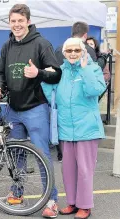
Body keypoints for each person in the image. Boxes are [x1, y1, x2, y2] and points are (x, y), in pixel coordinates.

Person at [0, 4, 61, 218]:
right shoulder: (7, 46)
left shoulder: (41, 43)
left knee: (42, 155)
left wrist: (38, 72)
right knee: (17, 155)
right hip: (13, 109)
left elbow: (56, 74)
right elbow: (1, 73)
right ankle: (17, 194)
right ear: (9, 22)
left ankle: (51, 200)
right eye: (13, 21)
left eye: (20, 21)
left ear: (28, 22)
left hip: (35, 108)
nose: (16, 25)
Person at [42, 38, 106, 219]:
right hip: (66, 129)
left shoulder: (92, 68)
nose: (72, 53)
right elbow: (51, 96)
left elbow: (94, 91)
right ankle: (72, 203)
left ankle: (85, 205)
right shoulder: (60, 71)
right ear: (64, 53)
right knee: (68, 169)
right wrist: (46, 79)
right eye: (68, 50)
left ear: (83, 51)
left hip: (87, 129)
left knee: (85, 170)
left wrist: (85, 69)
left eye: (76, 50)